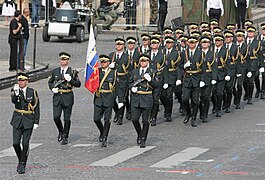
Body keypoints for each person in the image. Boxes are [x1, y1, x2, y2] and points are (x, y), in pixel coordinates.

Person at [48, 52, 81, 145]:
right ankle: (61, 131)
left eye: (65, 59)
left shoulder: (72, 72)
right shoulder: (55, 71)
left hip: (67, 96)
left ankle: (65, 136)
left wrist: (71, 80)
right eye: (62, 59)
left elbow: (78, 84)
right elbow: (50, 82)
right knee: (56, 117)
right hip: (57, 97)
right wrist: (52, 88)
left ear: (68, 61)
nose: (63, 61)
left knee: (67, 118)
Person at [10, 72, 40, 174]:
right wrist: (16, 93)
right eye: (19, 80)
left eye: (22, 80)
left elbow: (36, 107)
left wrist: (36, 121)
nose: (20, 82)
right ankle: (21, 159)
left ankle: (22, 163)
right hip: (17, 119)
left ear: (27, 81)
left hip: (28, 119)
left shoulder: (32, 92)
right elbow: (14, 101)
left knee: (25, 143)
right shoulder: (15, 90)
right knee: (15, 143)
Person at [129, 54, 158, 148]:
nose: (143, 63)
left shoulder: (152, 72)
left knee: (145, 120)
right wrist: (132, 88)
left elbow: (157, 86)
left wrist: (150, 80)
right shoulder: (134, 71)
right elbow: (129, 83)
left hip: (146, 98)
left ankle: (143, 139)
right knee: (134, 119)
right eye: (141, 61)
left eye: (145, 61)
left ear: (148, 62)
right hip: (136, 98)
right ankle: (139, 133)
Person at [180, 36, 204, 127]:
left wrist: (202, 80)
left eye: (193, 43)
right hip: (187, 79)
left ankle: (194, 117)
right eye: (190, 43)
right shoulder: (184, 53)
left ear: (196, 43)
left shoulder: (200, 53)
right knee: (185, 99)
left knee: (195, 100)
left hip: (196, 78)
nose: (191, 44)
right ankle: (188, 114)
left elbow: (203, 68)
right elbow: (179, 66)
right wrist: (184, 66)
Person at [93, 55, 117, 147]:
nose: (102, 63)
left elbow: (116, 87)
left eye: (104, 62)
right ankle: (102, 131)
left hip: (108, 98)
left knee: (107, 119)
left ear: (108, 63)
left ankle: (105, 137)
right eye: (101, 62)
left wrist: (120, 99)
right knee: (96, 119)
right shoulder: (96, 72)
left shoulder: (113, 73)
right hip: (98, 98)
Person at [109, 38, 130, 125]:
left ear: (123, 46)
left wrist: (115, 66)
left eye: (120, 44)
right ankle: (117, 112)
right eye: (117, 44)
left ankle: (120, 116)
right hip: (113, 80)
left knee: (122, 99)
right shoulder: (111, 55)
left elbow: (125, 67)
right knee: (112, 99)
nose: (118, 46)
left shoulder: (126, 56)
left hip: (122, 80)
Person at [160, 36, 181, 122]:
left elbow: (179, 67)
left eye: (170, 43)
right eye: (167, 43)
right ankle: (166, 108)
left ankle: (168, 113)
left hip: (172, 75)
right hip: (162, 76)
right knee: (162, 96)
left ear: (173, 43)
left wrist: (179, 78)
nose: (168, 44)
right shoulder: (161, 52)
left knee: (169, 96)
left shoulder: (177, 53)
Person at [199, 36, 217, 123]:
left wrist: (214, 78)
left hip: (208, 77)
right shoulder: (198, 53)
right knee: (199, 97)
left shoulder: (212, 54)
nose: (204, 44)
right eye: (203, 42)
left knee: (206, 97)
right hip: (198, 78)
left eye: (206, 42)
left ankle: (205, 114)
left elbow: (214, 67)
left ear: (209, 44)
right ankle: (201, 112)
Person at [211, 35, 229, 117]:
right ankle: (215, 105)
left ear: (222, 41)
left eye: (219, 40)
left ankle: (218, 108)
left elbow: (228, 64)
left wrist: (228, 74)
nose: (217, 42)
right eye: (216, 40)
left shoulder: (225, 51)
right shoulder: (211, 50)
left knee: (219, 92)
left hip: (221, 73)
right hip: (211, 73)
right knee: (212, 92)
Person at [244, 26, 261, 104]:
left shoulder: (257, 42)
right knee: (245, 81)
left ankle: (250, 97)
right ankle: (247, 93)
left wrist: (262, 65)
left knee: (251, 81)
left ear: (254, 33)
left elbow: (260, 54)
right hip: (244, 64)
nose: (250, 33)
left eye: (251, 32)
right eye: (249, 32)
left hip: (253, 63)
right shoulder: (244, 42)